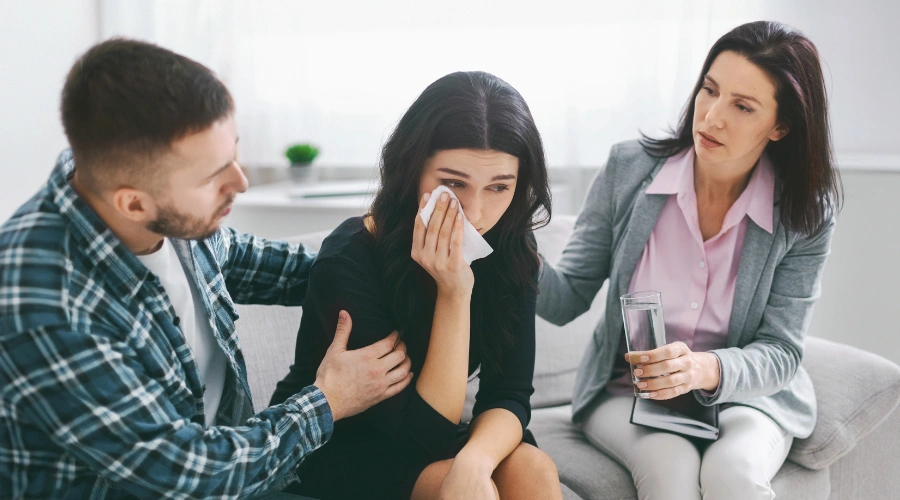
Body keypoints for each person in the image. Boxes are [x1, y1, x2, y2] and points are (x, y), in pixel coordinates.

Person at [0, 38, 412, 499]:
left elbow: (277, 267)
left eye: (234, 152)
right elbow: (187, 476)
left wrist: (399, 254)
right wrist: (328, 400)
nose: (241, 181)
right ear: (133, 202)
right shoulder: (43, 306)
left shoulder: (156, 207)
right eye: (214, 176)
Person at [537, 21, 842, 499]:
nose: (712, 117)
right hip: (627, 392)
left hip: (746, 397)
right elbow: (564, 298)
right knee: (670, 467)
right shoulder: (628, 169)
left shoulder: (804, 216)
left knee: (733, 474)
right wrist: (507, 241)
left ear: (781, 126)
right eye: (709, 90)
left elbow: (782, 353)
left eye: (742, 106)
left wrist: (703, 369)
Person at [270, 71, 564, 499]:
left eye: (499, 187)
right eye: (452, 184)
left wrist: (475, 460)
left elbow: (511, 394)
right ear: (412, 172)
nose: (476, 214)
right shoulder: (348, 260)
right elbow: (420, 437)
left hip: (434, 437)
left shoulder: (511, 245)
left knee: (531, 469)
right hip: (342, 449)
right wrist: (455, 291)